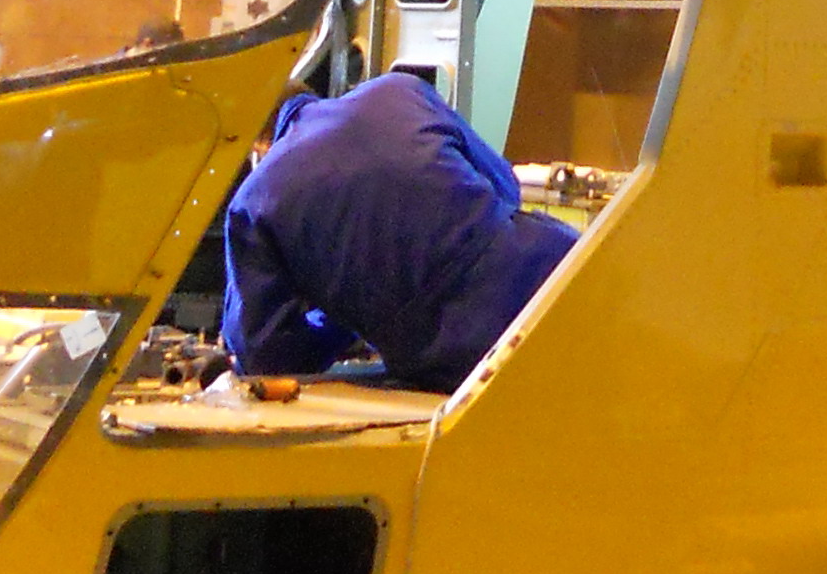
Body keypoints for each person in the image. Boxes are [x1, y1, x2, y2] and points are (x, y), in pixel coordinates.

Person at [219, 64, 575, 391]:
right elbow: (505, 185)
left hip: (465, 356)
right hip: (561, 271)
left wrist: (340, 320)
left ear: (256, 146)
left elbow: (265, 356)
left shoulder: (255, 200)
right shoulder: (400, 90)